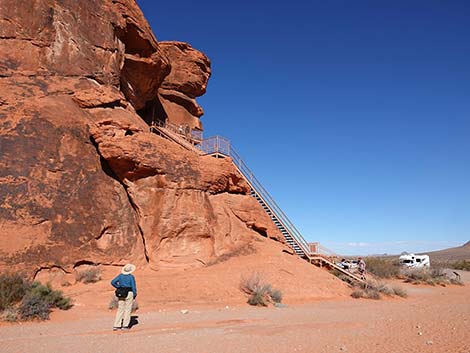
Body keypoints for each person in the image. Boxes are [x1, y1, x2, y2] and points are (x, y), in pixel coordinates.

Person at [111, 264, 137, 331]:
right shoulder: (131, 277)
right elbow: (133, 287)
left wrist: (118, 287)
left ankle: (116, 325)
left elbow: (113, 282)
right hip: (129, 293)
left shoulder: (120, 276)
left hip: (121, 293)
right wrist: (134, 294)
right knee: (127, 309)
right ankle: (125, 326)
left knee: (120, 309)